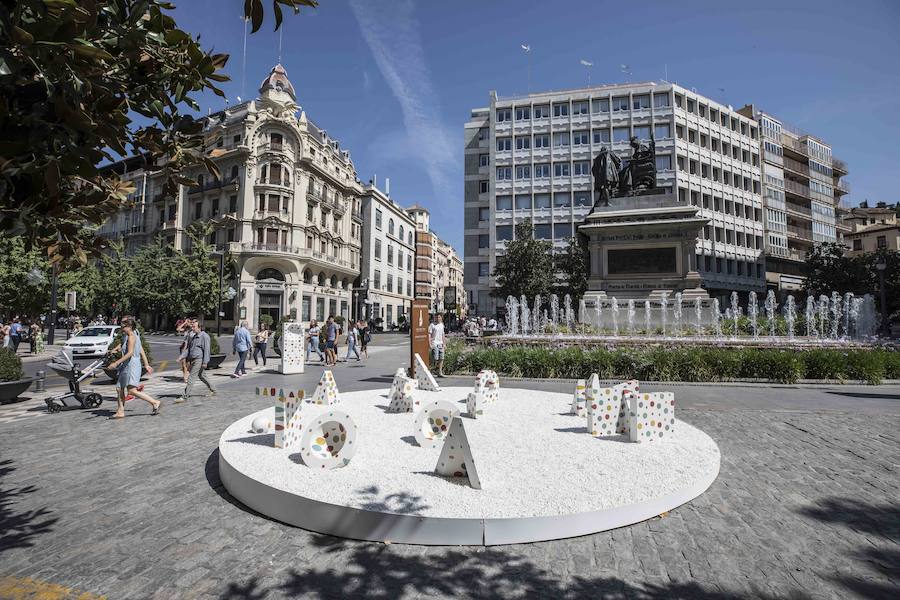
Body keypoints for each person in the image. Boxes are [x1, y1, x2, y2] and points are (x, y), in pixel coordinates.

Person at [107, 317, 160, 418]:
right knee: (119, 388)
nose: (121, 328)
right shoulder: (126, 335)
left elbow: (131, 352)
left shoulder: (132, 335)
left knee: (131, 390)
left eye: (123, 326)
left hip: (131, 364)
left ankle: (154, 402)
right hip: (127, 364)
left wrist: (116, 363)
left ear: (129, 326)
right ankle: (120, 411)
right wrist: (114, 349)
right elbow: (124, 345)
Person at [176, 319, 215, 403]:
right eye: (192, 326)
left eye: (194, 327)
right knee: (202, 376)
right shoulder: (193, 336)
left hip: (199, 360)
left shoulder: (204, 336)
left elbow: (207, 350)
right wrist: (181, 357)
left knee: (191, 378)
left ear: (199, 327)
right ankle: (214, 390)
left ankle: (185, 396)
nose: (192, 328)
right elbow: (188, 350)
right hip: (192, 359)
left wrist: (205, 362)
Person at [176, 318, 192, 383]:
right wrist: (184, 323)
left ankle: (187, 376)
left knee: (188, 364)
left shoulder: (191, 329)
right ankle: (185, 377)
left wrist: (189, 323)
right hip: (183, 347)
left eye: (188, 321)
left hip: (188, 347)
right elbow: (178, 329)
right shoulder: (186, 330)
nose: (187, 322)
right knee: (183, 363)